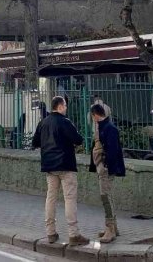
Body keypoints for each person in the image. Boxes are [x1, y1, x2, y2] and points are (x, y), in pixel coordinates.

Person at [32, 95, 88, 246]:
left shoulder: (43, 122)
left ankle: (50, 232)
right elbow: (78, 139)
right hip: (66, 165)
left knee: (51, 198)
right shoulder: (65, 122)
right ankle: (73, 234)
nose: (66, 108)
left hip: (49, 166)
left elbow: (35, 142)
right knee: (69, 199)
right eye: (65, 105)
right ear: (60, 106)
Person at [88, 103, 125, 243]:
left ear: (95, 115)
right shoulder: (103, 127)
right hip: (102, 166)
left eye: (92, 116)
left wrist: (106, 166)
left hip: (105, 167)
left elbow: (112, 150)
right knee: (108, 195)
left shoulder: (109, 128)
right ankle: (113, 227)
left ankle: (110, 229)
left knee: (105, 196)